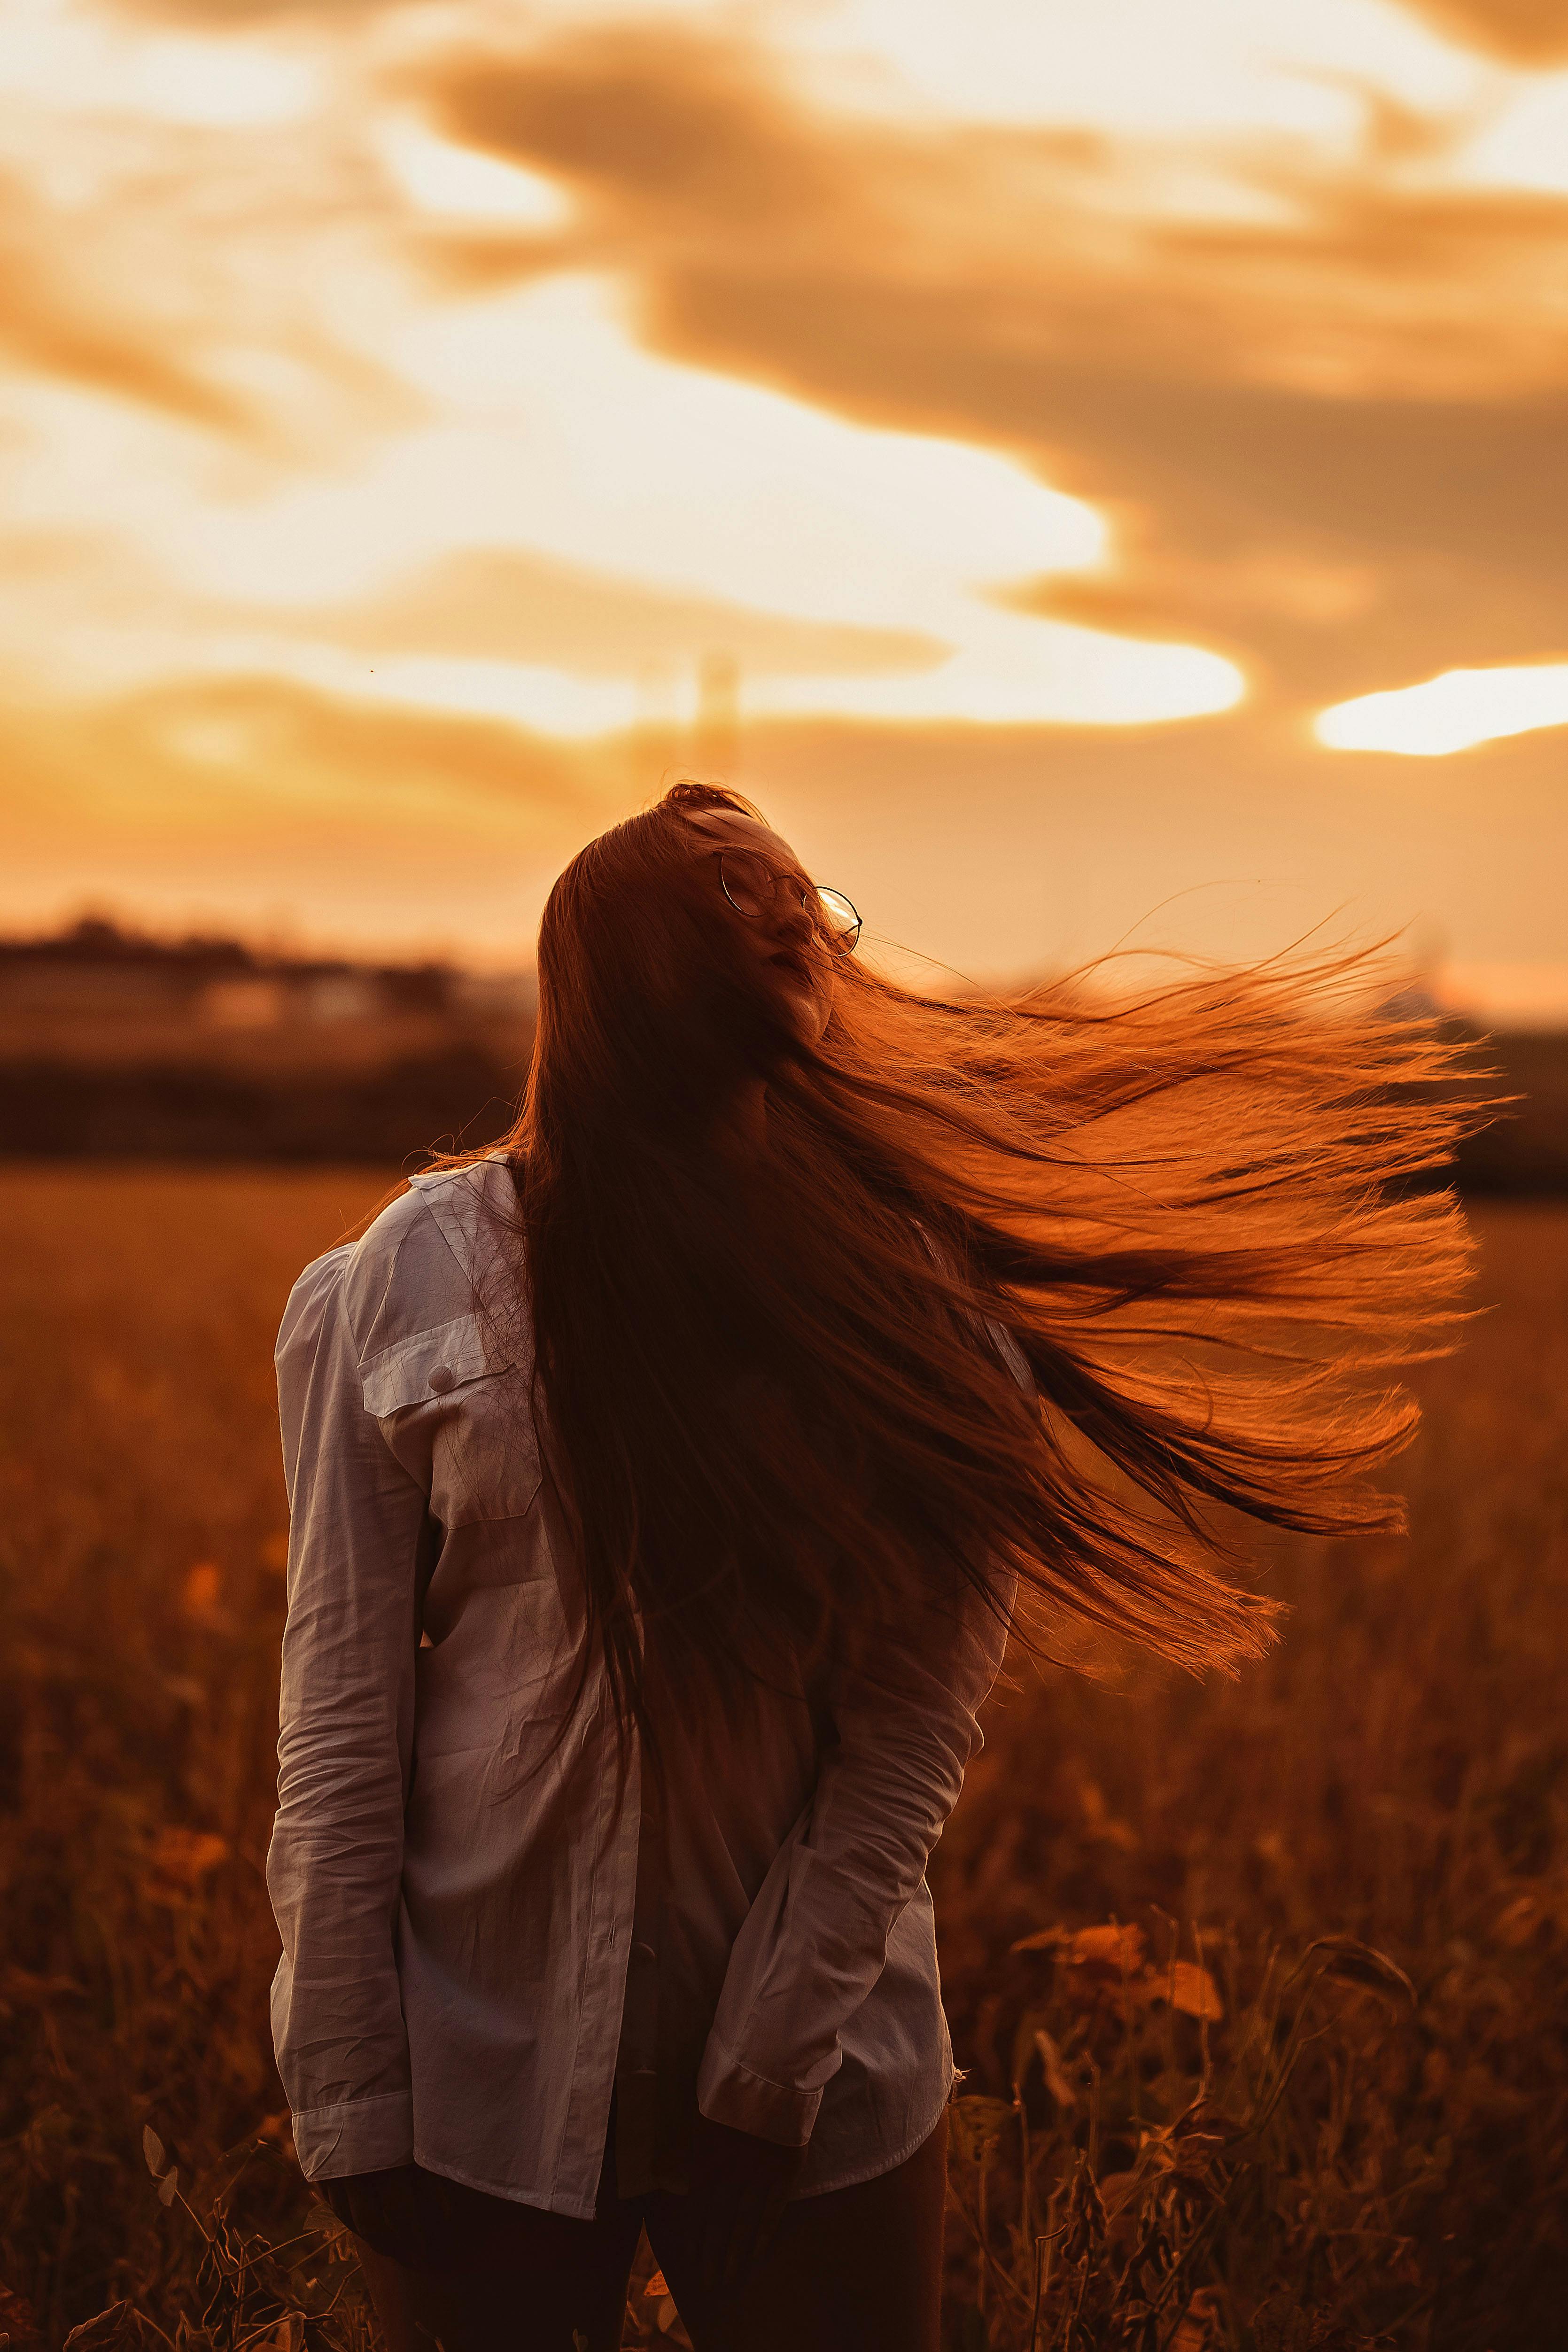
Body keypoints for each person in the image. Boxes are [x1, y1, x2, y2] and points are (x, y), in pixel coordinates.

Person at [267, 782, 1475, 2351]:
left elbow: (908, 1723)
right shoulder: (411, 1276)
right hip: (468, 2061)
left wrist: (767, 2068)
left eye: (801, 894)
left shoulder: (912, 1292)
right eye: (727, 888)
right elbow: (341, 1715)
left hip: (826, 2074)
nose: (790, 914)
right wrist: (352, 2089)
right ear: (610, 961)